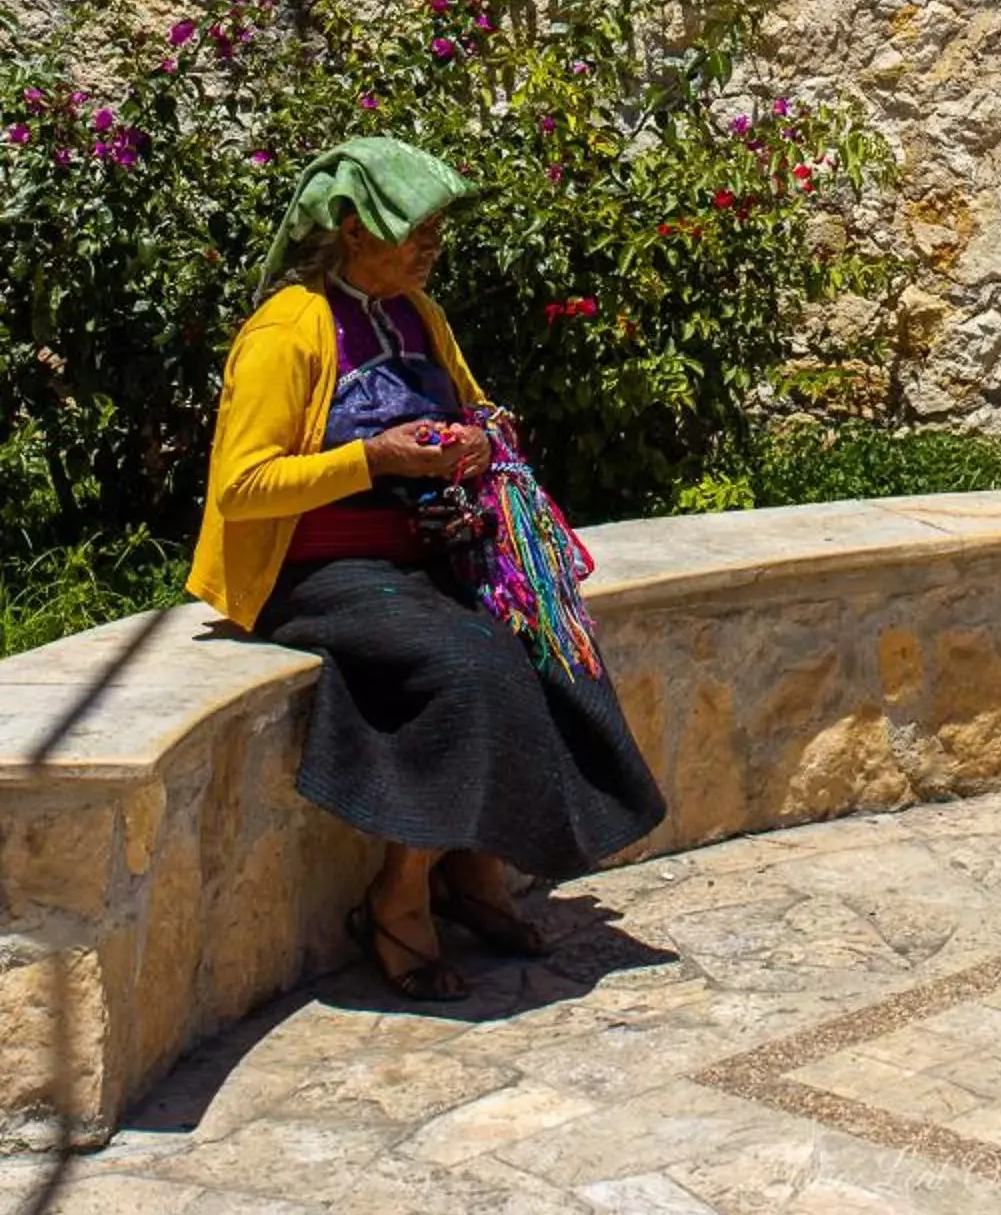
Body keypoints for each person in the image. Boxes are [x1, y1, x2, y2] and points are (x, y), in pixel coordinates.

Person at [188, 136, 663, 1002]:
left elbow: (473, 407)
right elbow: (243, 490)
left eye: (437, 229)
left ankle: (473, 872)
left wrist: (481, 436)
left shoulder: (418, 313)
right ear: (350, 228)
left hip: (425, 555)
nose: (432, 245)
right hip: (314, 573)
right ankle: (399, 894)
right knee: (468, 665)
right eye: (415, 230)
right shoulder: (286, 333)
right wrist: (374, 460)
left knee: (544, 645)